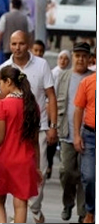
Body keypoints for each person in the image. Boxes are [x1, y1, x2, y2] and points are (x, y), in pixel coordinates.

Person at [0, 30, 58, 224]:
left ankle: (35, 209)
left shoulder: (41, 65)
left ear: (28, 43)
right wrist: (0, 135)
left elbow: (51, 96)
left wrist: (53, 126)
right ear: (9, 45)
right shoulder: (4, 68)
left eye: (21, 43)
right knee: (18, 185)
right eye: (14, 44)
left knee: (38, 174)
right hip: (12, 132)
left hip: (37, 129)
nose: (17, 48)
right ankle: (21, 215)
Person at [0, 66, 42, 223]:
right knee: (20, 204)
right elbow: (35, 141)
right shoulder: (33, 106)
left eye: (0, 84)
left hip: (6, 160)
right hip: (26, 161)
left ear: (8, 82)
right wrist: (37, 166)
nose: (0, 88)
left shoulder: (3, 105)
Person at [55, 42, 92, 223]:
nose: (80, 59)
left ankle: (82, 212)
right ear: (72, 57)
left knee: (87, 175)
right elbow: (53, 101)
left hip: (89, 135)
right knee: (67, 172)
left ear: (89, 59)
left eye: (84, 56)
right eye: (77, 55)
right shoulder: (63, 76)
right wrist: (52, 127)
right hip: (67, 132)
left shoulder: (93, 78)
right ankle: (68, 202)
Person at [73, 66, 95, 224]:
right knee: (89, 176)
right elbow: (79, 109)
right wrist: (76, 135)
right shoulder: (87, 82)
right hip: (90, 135)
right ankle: (90, 210)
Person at [0, 0, 31, 66]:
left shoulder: (5, 17)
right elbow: (31, 33)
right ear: (20, 6)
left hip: (8, 48)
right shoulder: (26, 18)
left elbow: (0, 33)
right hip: (23, 49)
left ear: (11, 5)